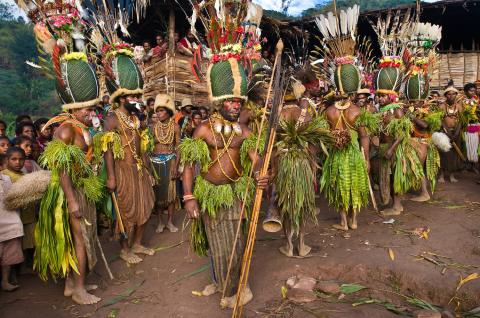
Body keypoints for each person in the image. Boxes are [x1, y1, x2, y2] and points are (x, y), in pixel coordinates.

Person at [180, 57, 267, 308]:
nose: (235, 106)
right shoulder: (204, 130)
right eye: (230, 101)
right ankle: (221, 283)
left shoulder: (246, 132)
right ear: (220, 102)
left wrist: (262, 174)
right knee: (216, 243)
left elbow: (256, 162)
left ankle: (240, 287)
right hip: (209, 194)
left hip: (235, 194)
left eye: (238, 101)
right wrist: (188, 197)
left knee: (236, 244)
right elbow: (188, 166)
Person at [101, 43, 155, 265]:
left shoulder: (136, 120)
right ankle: (125, 248)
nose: (138, 100)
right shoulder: (112, 120)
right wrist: (112, 177)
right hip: (122, 172)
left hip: (139, 170)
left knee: (146, 207)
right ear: (122, 98)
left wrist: (148, 170)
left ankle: (137, 243)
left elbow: (141, 147)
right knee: (124, 212)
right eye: (134, 97)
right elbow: (108, 152)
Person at [1, 146, 37, 268]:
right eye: (14, 159)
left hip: (28, 217)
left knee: (28, 244)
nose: (18, 162)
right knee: (14, 246)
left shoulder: (25, 176)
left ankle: (27, 266)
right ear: (7, 160)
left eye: (21, 159)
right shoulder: (5, 176)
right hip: (12, 219)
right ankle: (14, 273)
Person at [150, 94, 180, 233]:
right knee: (158, 194)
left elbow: (178, 147)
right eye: (157, 111)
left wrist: (176, 165)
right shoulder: (153, 127)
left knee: (170, 195)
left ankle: (170, 222)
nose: (159, 113)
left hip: (170, 160)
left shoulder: (175, 127)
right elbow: (147, 147)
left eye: (162, 110)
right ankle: (160, 222)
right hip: (155, 162)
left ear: (168, 111)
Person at [0, 167, 24, 292]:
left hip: (10, 223)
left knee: (8, 258)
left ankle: (5, 281)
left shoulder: (6, 179)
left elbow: (13, 199)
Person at [439, 85, 464, 183]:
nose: (451, 96)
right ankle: (441, 175)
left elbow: (461, 121)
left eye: (453, 94)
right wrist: (448, 133)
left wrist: (456, 132)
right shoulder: (441, 106)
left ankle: (452, 175)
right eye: (449, 94)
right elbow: (440, 121)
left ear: (456, 95)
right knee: (444, 153)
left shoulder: (459, 107)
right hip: (444, 133)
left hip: (456, 133)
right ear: (446, 95)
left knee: (454, 155)